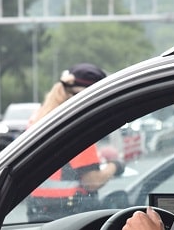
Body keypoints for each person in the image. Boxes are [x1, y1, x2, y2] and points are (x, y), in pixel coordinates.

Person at [26, 63, 126, 217]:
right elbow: (92, 182)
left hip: (37, 210)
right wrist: (115, 165)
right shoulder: (76, 127)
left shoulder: (38, 118)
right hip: (69, 213)